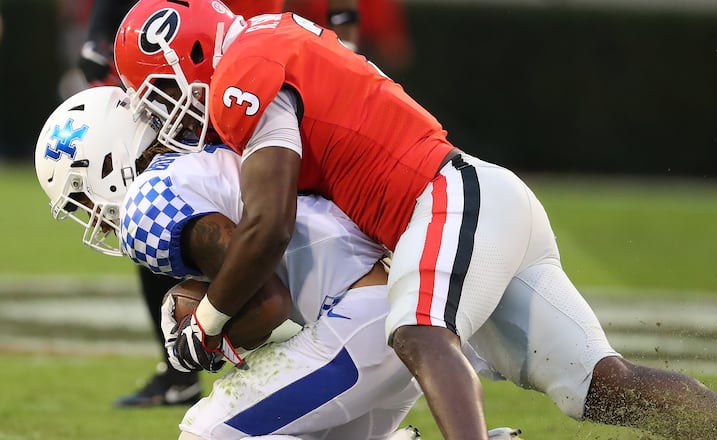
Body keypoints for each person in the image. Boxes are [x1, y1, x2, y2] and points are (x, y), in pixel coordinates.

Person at [112, 2, 717, 439]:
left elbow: (268, 228)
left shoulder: (244, 73)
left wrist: (205, 324)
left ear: (190, 55)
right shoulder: (269, 37)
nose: (173, 113)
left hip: (446, 197)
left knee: (416, 330)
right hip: (479, 200)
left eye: (164, 91)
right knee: (604, 387)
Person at [33, 85, 524, 440]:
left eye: (81, 199)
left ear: (103, 162)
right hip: (386, 309)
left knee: (208, 434)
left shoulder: (149, 200)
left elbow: (268, 302)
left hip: (363, 323)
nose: (92, 217)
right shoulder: (206, 157)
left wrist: (200, 335)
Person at [75, 0, 360, 408]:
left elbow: (271, 224)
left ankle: (311, 338)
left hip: (227, 58)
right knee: (193, 205)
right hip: (200, 50)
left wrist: (207, 323)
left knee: (193, 207)